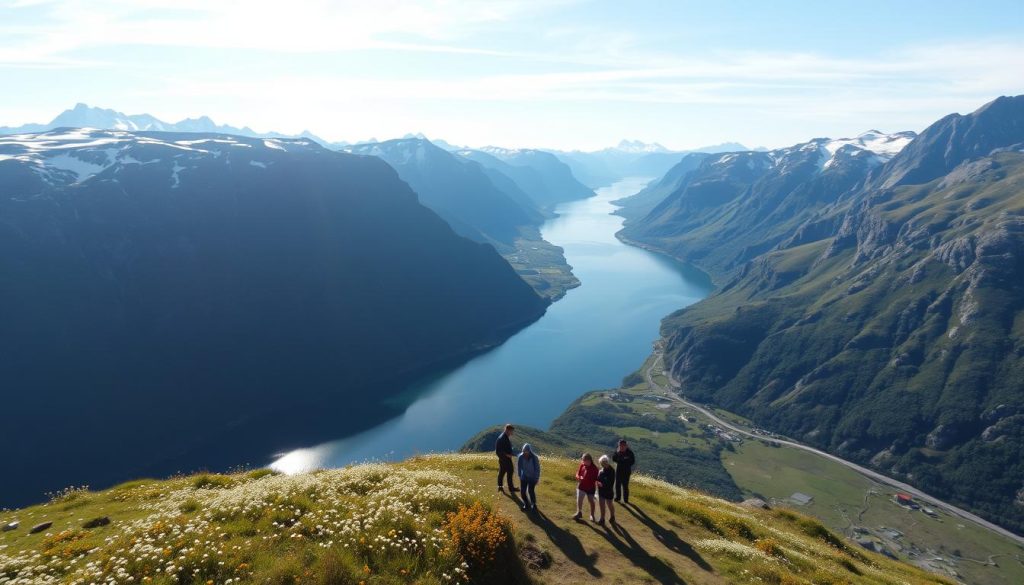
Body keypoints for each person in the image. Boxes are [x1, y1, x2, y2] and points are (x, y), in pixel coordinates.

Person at [572, 452, 599, 521]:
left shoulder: (595, 469)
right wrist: (578, 477)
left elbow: (597, 479)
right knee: (579, 499)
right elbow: (578, 473)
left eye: (584, 460)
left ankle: (592, 515)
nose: (582, 461)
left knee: (591, 501)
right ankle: (579, 512)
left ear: (589, 460)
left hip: (590, 487)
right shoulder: (582, 465)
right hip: (581, 486)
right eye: (582, 460)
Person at [517, 443, 541, 511]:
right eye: (524, 451)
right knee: (523, 492)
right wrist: (519, 475)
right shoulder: (521, 457)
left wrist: (536, 478)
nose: (525, 453)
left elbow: (537, 469)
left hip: (532, 477)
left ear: (530, 451)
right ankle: (526, 504)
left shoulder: (534, 457)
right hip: (524, 477)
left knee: (531, 491)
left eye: (526, 451)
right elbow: (519, 467)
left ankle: (533, 504)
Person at [612, 439, 636, 503]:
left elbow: (632, 461)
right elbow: (613, 458)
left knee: (625, 486)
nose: (622, 447)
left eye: (623, 445)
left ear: (626, 445)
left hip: (626, 471)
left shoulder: (630, 453)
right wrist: (620, 460)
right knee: (617, 485)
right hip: (619, 470)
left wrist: (625, 462)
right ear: (619, 445)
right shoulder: (617, 451)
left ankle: (626, 500)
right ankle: (618, 497)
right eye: (620, 445)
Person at [495, 424, 517, 492]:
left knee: (502, 472)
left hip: (503, 458)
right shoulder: (502, 438)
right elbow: (498, 451)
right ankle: (511, 488)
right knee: (510, 471)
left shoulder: (504, 436)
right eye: (511, 431)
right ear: (507, 430)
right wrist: (507, 455)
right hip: (505, 459)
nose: (512, 433)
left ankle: (500, 487)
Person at [596, 455, 616, 525]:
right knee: (601, 504)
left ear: (607, 462)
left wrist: (603, 484)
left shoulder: (612, 471)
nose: (602, 464)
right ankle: (602, 519)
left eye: (604, 463)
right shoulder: (601, 471)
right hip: (601, 491)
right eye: (601, 463)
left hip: (608, 491)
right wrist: (597, 482)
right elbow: (598, 479)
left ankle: (612, 516)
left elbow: (611, 483)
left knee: (609, 504)